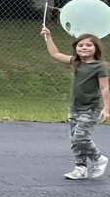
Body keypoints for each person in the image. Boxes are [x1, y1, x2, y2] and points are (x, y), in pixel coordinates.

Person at [41, 25, 110, 180]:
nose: (84, 47)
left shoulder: (99, 67)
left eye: (88, 45)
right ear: (76, 48)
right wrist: (48, 36)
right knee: (75, 140)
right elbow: (55, 54)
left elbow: (105, 88)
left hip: (90, 109)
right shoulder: (76, 62)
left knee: (81, 137)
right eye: (80, 45)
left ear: (96, 48)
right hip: (74, 108)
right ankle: (80, 168)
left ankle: (99, 159)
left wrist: (107, 108)